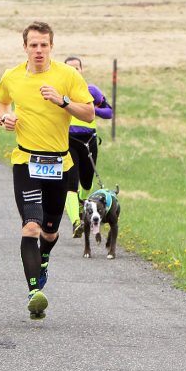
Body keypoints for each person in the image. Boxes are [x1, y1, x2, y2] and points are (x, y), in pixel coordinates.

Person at [0, 21, 94, 320]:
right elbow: (0, 100)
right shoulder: (12, 76)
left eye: (44, 45)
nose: (38, 50)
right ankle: (34, 292)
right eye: (33, 45)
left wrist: (62, 101)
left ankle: (45, 256)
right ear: (24, 47)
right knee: (31, 226)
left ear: (52, 46)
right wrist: (5, 118)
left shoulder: (67, 75)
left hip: (59, 163)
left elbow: (89, 113)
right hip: (26, 161)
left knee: (49, 232)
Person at [62, 56, 114, 237]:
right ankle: (76, 222)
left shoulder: (91, 90)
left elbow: (109, 113)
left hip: (89, 140)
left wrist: (91, 108)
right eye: (70, 68)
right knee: (71, 182)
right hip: (68, 140)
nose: (75, 71)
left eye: (78, 68)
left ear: (82, 70)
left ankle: (82, 203)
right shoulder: (60, 92)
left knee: (87, 181)